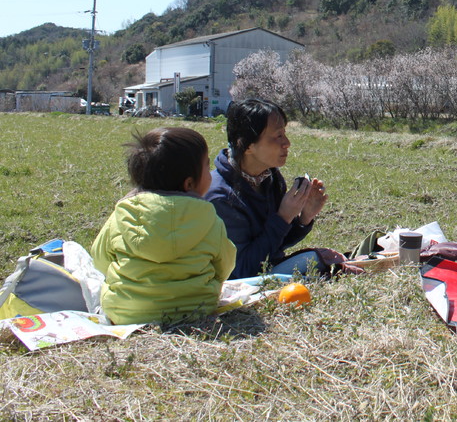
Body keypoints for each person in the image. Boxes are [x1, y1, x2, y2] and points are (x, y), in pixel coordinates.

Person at [91, 127, 236, 324]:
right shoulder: (209, 218)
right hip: (197, 308)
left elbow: (100, 259)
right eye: (206, 166)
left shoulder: (123, 214)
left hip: (126, 313)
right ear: (190, 184)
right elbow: (225, 265)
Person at [205, 98, 329, 279]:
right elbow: (240, 270)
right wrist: (284, 217)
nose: (287, 143)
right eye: (278, 136)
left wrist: (304, 218)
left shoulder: (270, 178)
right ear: (246, 145)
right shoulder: (220, 197)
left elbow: (275, 245)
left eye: (284, 133)